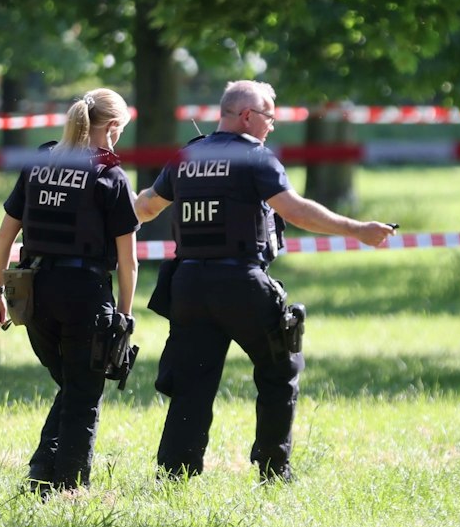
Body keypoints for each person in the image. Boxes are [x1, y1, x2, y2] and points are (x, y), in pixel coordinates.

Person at [133, 79, 395, 482]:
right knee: (279, 370)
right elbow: (296, 211)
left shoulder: (185, 157)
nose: (272, 125)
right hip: (240, 282)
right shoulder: (256, 159)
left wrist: (103, 220)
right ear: (247, 116)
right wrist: (356, 229)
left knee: (191, 384)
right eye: (269, 116)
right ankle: (275, 471)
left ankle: (175, 476)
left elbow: (147, 206)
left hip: (187, 286)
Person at [0, 88, 139, 494]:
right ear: (113, 127)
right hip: (84, 295)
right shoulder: (110, 176)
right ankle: (69, 487)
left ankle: (41, 475)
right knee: (84, 394)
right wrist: (122, 318)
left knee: (73, 386)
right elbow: (129, 261)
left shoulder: (40, 163)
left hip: (34, 294)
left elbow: (4, 237)